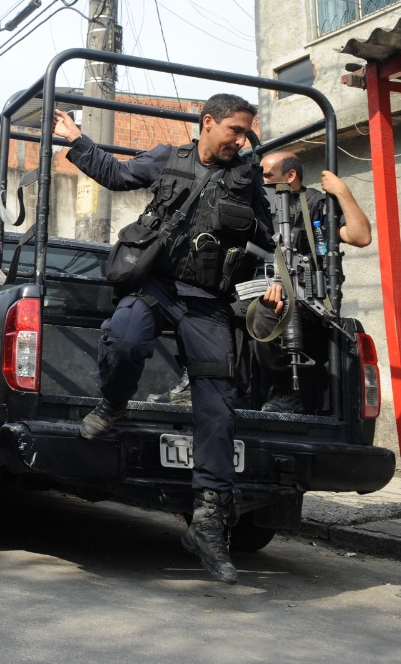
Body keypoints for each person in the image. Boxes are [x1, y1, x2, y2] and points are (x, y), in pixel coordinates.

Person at [52, 94, 274, 585]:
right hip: (157, 285)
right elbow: (117, 176)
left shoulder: (248, 176)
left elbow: (267, 237)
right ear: (208, 122)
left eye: (247, 133)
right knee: (127, 339)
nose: (242, 140)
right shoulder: (168, 159)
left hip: (208, 300)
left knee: (218, 405)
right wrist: (79, 143)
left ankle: (208, 521)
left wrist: (265, 265)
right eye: (235, 130)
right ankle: (112, 403)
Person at [252, 151, 372, 413]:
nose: (261, 179)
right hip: (259, 288)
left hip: (303, 298)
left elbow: (361, 236)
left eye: (268, 175)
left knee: (265, 311)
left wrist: (342, 192)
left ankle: (286, 392)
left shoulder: (315, 204)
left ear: (290, 175)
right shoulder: (258, 202)